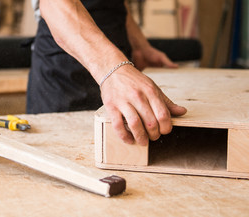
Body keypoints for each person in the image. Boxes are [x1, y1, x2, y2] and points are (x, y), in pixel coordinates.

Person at [27, 0, 187, 146]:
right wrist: (115, 71)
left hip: (115, 57)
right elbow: (54, 4)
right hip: (65, 70)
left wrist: (140, 46)